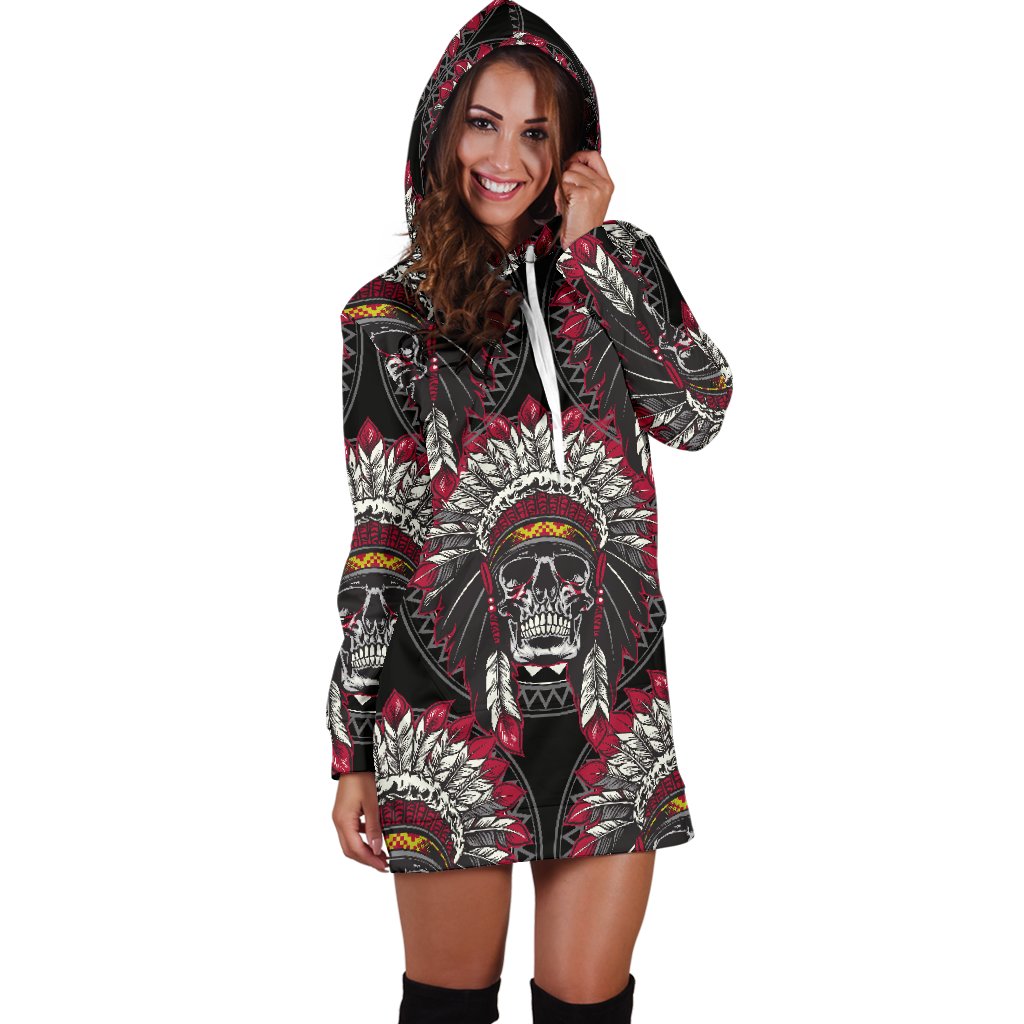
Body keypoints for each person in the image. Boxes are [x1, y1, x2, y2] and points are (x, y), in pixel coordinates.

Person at [327, 3, 733, 1021]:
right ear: (440, 129)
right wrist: (353, 746)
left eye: (535, 132)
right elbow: (381, 534)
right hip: (445, 714)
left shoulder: (619, 263)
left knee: (588, 1003)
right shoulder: (387, 313)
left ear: (570, 149)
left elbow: (697, 412)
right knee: (449, 1009)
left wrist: (592, 257)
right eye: (482, 122)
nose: (504, 157)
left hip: (612, 705)